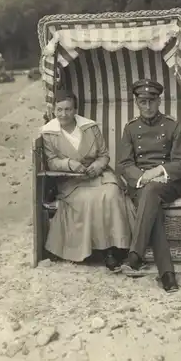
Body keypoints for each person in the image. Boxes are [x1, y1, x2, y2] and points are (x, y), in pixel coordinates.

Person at [41, 90, 132, 272]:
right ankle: (106, 251)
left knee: (112, 193)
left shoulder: (90, 128)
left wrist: (98, 166)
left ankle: (119, 246)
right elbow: (51, 161)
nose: (63, 114)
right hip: (72, 181)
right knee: (89, 199)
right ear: (54, 111)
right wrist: (69, 164)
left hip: (99, 175)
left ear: (75, 110)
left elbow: (104, 155)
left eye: (67, 110)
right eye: (59, 110)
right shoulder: (49, 133)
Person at [117, 79, 181, 293]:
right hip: (142, 184)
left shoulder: (171, 126)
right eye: (142, 102)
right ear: (136, 103)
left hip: (168, 184)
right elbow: (124, 164)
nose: (147, 106)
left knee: (151, 193)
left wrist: (159, 171)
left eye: (151, 101)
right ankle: (167, 274)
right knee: (151, 201)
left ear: (159, 101)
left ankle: (136, 252)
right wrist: (143, 177)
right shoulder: (130, 129)